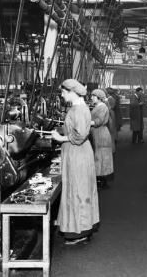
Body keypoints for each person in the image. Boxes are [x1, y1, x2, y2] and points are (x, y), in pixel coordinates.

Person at [51, 79, 99, 245]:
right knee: (80, 189)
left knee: (77, 190)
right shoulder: (80, 107)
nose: (62, 95)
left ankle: (79, 231)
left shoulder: (78, 109)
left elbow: (79, 135)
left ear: (72, 92)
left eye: (64, 92)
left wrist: (60, 138)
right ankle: (80, 227)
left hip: (77, 153)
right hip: (79, 152)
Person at [90, 89, 114, 189]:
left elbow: (98, 121)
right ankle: (101, 179)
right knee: (100, 157)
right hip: (98, 133)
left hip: (101, 134)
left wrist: (84, 121)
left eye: (93, 96)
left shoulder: (102, 107)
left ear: (99, 98)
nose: (91, 98)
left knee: (100, 157)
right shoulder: (98, 106)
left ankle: (101, 181)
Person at [105, 88, 118, 152]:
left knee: (110, 130)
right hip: (112, 113)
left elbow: (109, 107)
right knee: (112, 130)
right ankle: (112, 147)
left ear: (107, 93)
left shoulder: (109, 99)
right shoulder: (111, 98)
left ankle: (111, 148)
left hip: (110, 113)